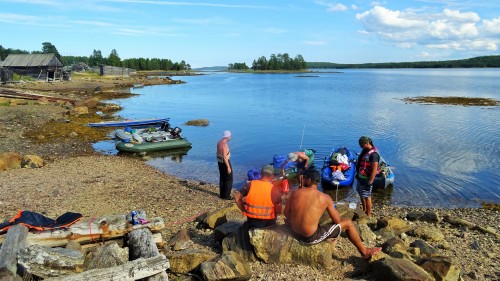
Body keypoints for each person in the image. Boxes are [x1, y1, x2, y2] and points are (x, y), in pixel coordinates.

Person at [284, 169, 382, 259]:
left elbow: (286, 214)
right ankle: (364, 252)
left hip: (294, 232)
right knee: (348, 223)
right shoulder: (325, 198)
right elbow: (337, 221)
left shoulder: (295, 193)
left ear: (309, 180)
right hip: (309, 238)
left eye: (304, 178)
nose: (302, 179)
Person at [355, 136, 381, 216]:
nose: (361, 147)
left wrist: (370, 182)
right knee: (361, 193)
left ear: (367, 143)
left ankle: (368, 214)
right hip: (360, 177)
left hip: (366, 180)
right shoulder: (366, 151)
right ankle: (364, 209)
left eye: (362, 145)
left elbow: (374, 170)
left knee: (367, 197)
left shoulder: (374, 155)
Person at [216, 130, 233, 200]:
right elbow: (225, 157)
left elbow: (218, 152)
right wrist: (228, 167)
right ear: (227, 136)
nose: (230, 137)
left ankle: (222, 194)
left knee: (222, 178)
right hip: (225, 162)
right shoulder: (224, 145)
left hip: (220, 162)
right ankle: (226, 196)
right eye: (230, 136)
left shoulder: (219, 142)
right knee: (229, 179)